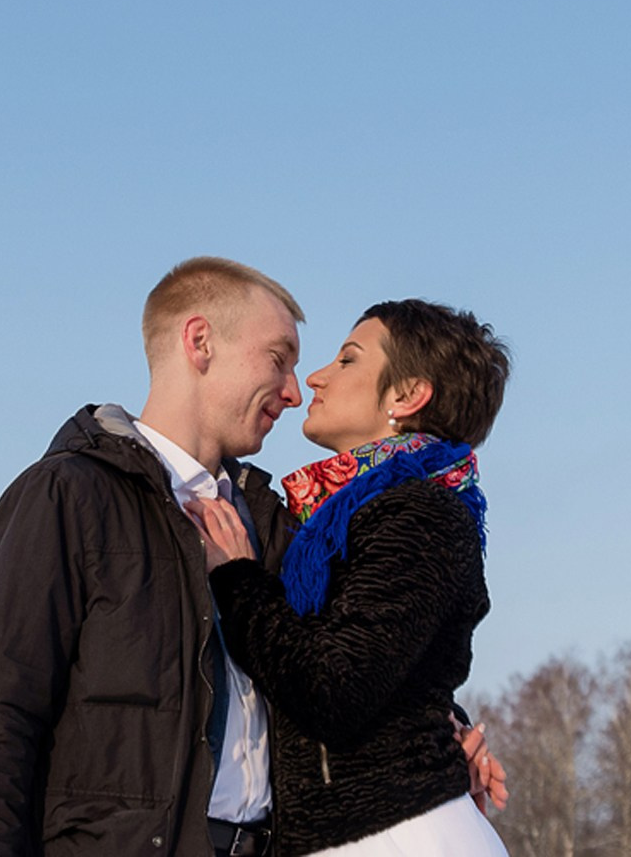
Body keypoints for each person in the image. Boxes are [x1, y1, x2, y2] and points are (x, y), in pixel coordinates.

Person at [0, 259, 504, 857]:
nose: (294, 388)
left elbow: (347, 665)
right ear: (200, 342)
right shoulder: (73, 495)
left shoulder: (277, 524)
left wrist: (438, 734)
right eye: (277, 358)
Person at [188, 299, 511, 856]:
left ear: (407, 395)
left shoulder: (419, 514)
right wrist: (444, 719)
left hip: (396, 836)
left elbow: (336, 686)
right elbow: (382, 660)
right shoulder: (340, 517)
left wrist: (240, 582)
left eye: (347, 360)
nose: (314, 377)